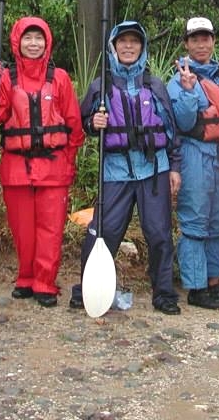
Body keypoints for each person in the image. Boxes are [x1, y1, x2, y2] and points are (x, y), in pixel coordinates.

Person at [69, 21, 183, 315]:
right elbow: (84, 124)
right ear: (114, 47)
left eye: (134, 42)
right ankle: (89, 288)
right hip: (116, 171)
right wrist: (95, 123)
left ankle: (164, 293)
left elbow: (170, 130)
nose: (129, 47)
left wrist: (175, 167)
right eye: (123, 42)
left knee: (158, 234)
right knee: (102, 231)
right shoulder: (101, 86)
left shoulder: (154, 85)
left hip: (152, 170)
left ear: (142, 48)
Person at [0, 17, 85, 308]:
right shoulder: (7, 77)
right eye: (28, 38)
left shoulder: (60, 78)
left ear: (47, 42)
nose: (34, 43)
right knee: (22, 229)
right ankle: (25, 278)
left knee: (50, 230)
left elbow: (74, 126)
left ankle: (45, 282)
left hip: (53, 167)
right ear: (17, 42)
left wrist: (69, 162)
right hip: (16, 168)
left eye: (39, 38)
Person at [167, 17, 219, 310]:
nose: (201, 44)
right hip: (194, 154)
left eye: (205, 38)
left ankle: (213, 281)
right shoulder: (178, 79)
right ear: (186, 44)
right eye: (195, 39)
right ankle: (195, 287)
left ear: (213, 41)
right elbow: (182, 121)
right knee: (195, 221)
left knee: (218, 222)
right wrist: (186, 91)